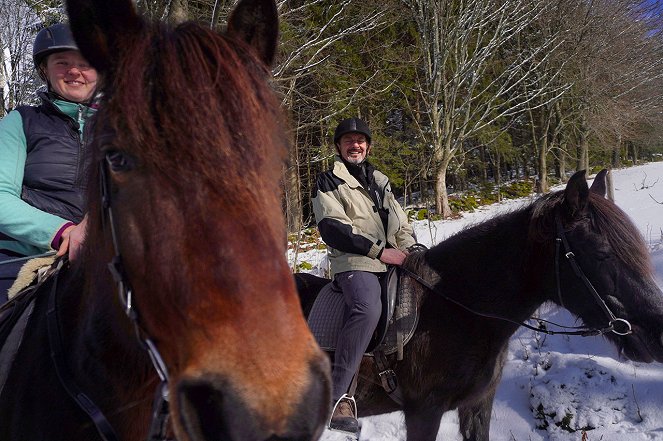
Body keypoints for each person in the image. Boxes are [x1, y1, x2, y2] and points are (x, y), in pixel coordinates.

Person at [312, 117, 416, 432]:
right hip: (354, 262)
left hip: (393, 260)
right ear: (339, 147)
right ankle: (338, 397)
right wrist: (379, 252)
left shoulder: (381, 181)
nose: (354, 145)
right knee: (367, 307)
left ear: (367, 146)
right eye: (348, 141)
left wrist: (413, 251)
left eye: (360, 140)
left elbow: (400, 223)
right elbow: (333, 229)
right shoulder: (329, 181)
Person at [0, 23, 98, 303]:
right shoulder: (21, 121)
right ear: (45, 70)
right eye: (62, 62)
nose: (74, 71)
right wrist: (62, 231)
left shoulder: (123, 128)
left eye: (85, 63)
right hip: (26, 254)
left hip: (106, 254)